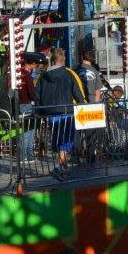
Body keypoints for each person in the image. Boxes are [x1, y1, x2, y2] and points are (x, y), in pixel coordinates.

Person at [34, 48, 86, 180]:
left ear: (52, 60)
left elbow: (37, 95)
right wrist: (82, 104)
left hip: (51, 112)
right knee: (66, 139)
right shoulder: (68, 74)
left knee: (58, 137)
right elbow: (77, 92)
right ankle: (62, 165)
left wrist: (39, 111)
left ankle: (61, 164)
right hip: (66, 110)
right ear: (63, 60)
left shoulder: (43, 76)